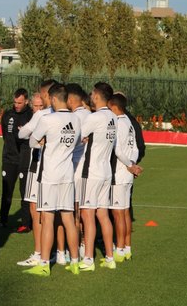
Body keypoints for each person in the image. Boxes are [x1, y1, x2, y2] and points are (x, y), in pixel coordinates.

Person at [22, 83, 81, 276]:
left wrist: (42, 142)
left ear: (54, 99)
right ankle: (74, 261)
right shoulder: (76, 119)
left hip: (49, 175)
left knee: (47, 219)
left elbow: (32, 141)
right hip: (67, 174)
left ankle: (44, 264)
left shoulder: (48, 119)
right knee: (68, 219)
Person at [77, 82, 118, 272]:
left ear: (96, 96)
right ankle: (110, 257)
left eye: (93, 93)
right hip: (106, 171)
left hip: (91, 171)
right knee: (103, 214)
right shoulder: (113, 117)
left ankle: (88, 259)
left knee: (87, 214)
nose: (91, 96)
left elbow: (78, 137)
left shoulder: (95, 117)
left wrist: (84, 137)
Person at [16, 80, 57, 267]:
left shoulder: (42, 115)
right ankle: (59, 252)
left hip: (38, 166)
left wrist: (34, 136)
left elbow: (23, 135)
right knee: (57, 211)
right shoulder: (68, 116)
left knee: (36, 210)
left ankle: (39, 253)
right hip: (58, 169)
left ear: (47, 95)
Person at [108, 93, 143, 262]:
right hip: (128, 173)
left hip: (119, 173)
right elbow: (135, 147)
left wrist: (130, 165)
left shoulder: (117, 123)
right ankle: (127, 248)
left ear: (113, 107)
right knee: (125, 211)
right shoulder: (129, 122)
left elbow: (118, 150)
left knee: (118, 214)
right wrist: (133, 164)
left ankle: (119, 250)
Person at [0, 88, 33, 232]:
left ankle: (26, 223)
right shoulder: (8, 115)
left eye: (20, 102)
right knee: (6, 192)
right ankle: (2, 221)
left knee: (24, 192)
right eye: (15, 102)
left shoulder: (31, 115)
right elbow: (5, 136)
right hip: (9, 159)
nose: (16, 105)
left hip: (24, 160)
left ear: (26, 101)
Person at [66, 83, 92, 258]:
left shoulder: (74, 118)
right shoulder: (90, 114)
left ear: (69, 99)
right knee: (86, 211)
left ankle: (73, 250)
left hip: (75, 167)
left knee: (74, 211)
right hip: (90, 168)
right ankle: (84, 248)